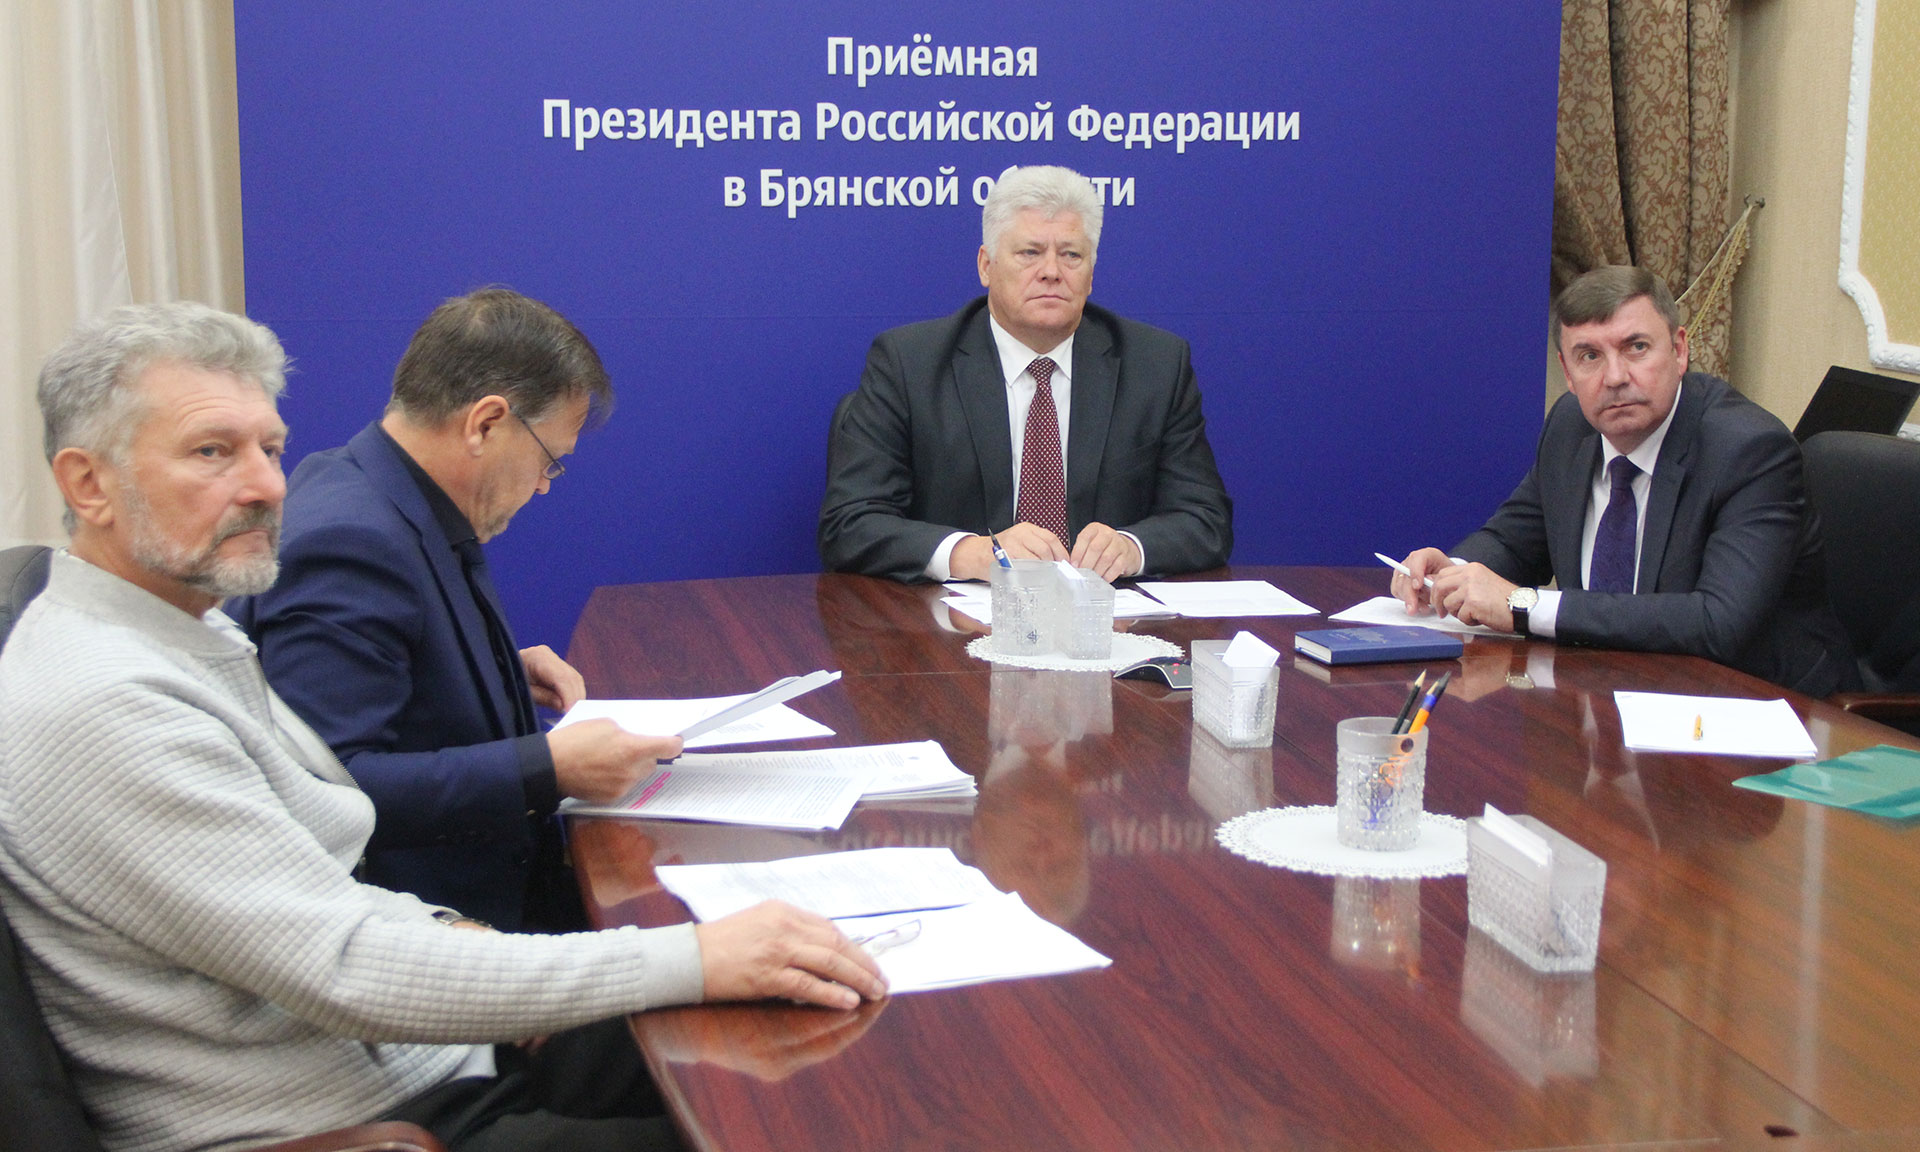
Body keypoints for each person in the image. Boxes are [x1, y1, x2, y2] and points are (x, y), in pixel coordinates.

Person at [0, 302, 886, 1152]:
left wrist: (470, 945)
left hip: (417, 1048)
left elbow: (319, 869)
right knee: (804, 1118)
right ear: (88, 483)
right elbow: (342, 965)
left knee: (827, 1042)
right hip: (360, 1115)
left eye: (269, 448)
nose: (267, 486)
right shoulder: (104, 706)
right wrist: (691, 957)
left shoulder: (187, 633)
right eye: (211, 452)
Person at [233, 289, 660, 932]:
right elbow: (329, 788)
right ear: (485, 424)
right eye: (549, 461)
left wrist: (497, 669)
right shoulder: (350, 542)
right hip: (440, 930)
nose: (544, 486)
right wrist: (549, 769)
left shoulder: (366, 481)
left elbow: (383, 668)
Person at [1391, 265, 1852, 696]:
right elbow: (1514, 542)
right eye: (1590, 356)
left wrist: (1523, 605)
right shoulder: (1571, 427)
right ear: (1568, 373)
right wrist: (1450, 574)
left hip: (1755, 707)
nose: (1614, 377)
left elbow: (1717, 622)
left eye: (1636, 348)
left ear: (1679, 351)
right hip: (1606, 693)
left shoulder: (1750, 451)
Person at [818, 164, 1233, 584]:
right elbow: (849, 522)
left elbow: (1205, 519)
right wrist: (972, 553)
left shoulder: (1155, 366)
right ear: (986, 266)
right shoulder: (909, 364)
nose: (1052, 271)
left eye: (1071, 255)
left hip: (1102, 614)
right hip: (951, 615)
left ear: (1091, 274)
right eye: (1030, 253)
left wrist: (1131, 547)